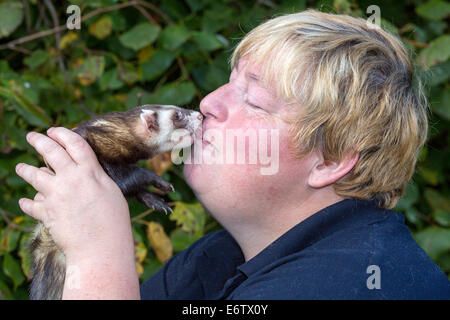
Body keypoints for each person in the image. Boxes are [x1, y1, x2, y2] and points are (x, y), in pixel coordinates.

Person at [15, 9, 450, 299]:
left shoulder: (349, 285)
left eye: (255, 101)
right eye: (228, 80)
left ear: (330, 161)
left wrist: (97, 257)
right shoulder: (222, 256)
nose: (207, 102)